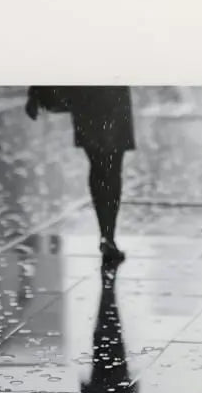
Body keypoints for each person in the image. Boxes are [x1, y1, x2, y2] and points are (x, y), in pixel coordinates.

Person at [26, 86, 135, 266]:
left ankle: (106, 234)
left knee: (98, 163)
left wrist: (36, 92)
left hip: (86, 96)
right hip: (111, 93)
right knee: (112, 166)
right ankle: (108, 235)